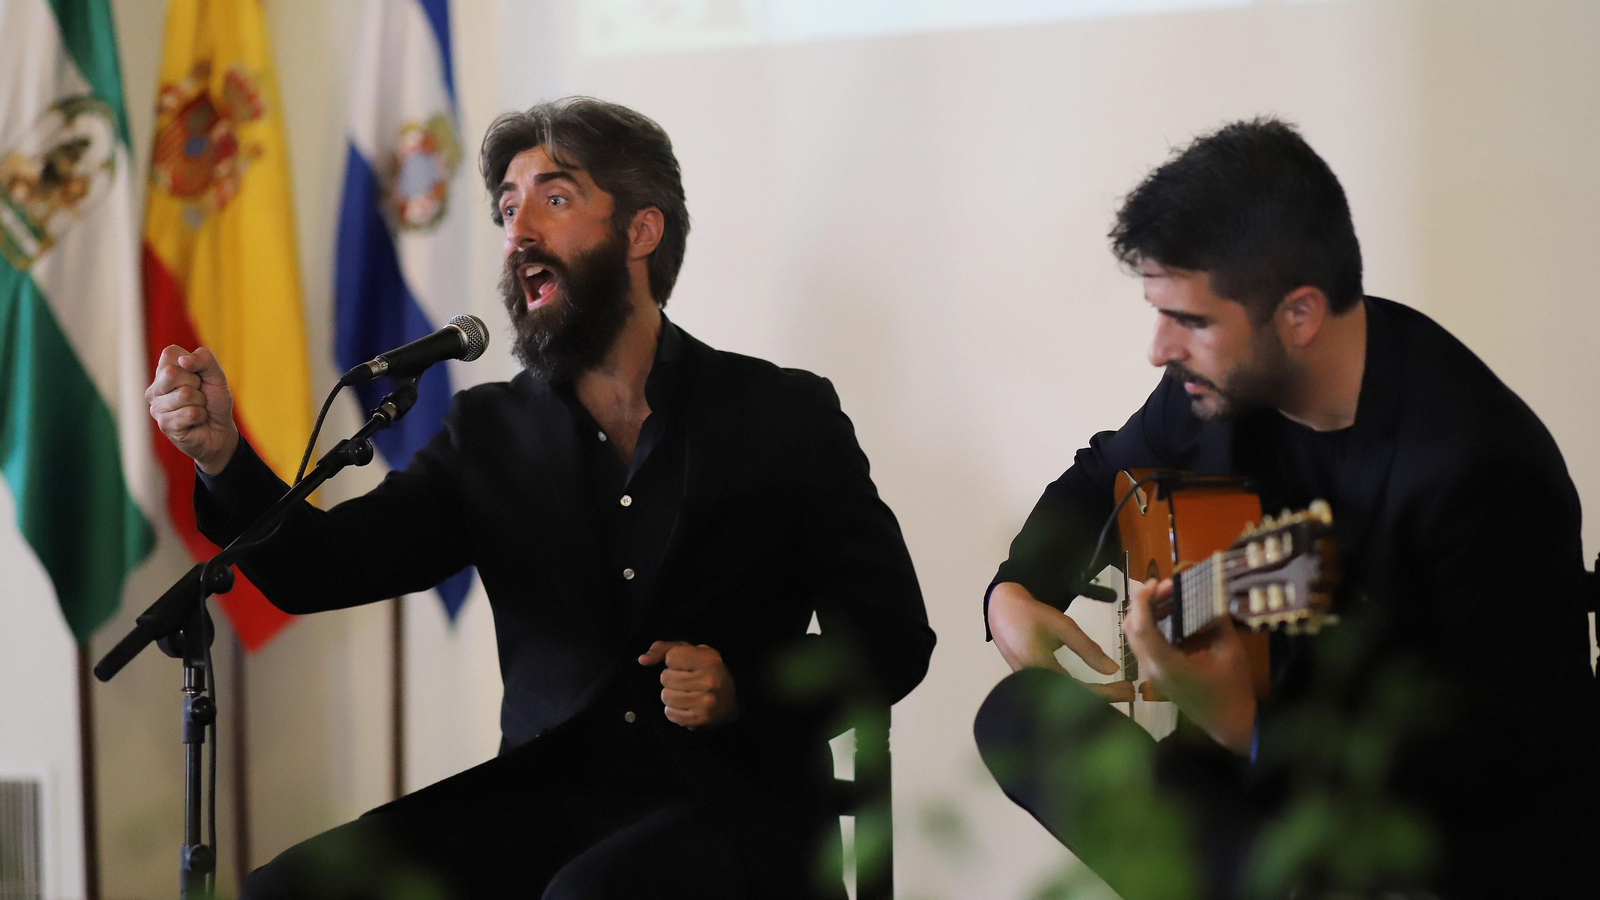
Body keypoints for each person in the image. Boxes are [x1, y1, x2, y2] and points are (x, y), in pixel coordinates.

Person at [146, 97, 935, 900]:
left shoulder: (782, 413)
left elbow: (892, 636)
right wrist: (223, 458)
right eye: (507, 208)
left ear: (641, 232)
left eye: (554, 199)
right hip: (540, 803)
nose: (519, 230)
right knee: (289, 891)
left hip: (734, 807)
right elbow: (324, 570)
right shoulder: (490, 431)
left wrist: (746, 690)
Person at [974, 118, 1597, 899]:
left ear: (1299, 316)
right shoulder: (1216, 388)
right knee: (1016, 719)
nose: (1160, 349)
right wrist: (1017, 591)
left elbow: (1507, 758)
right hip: (1259, 793)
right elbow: (1105, 472)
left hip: (1423, 843)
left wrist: (1247, 723)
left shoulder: (1479, 469)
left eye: (1191, 321)